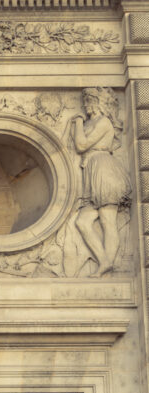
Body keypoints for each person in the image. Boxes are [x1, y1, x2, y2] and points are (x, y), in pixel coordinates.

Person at [70, 87, 131, 275]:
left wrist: (78, 122)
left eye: (90, 100)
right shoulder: (91, 122)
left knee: (107, 220)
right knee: (82, 222)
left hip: (104, 170)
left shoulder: (104, 122)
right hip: (91, 172)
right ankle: (104, 261)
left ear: (100, 102)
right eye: (85, 100)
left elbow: (81, 145)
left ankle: (107, 265)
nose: (86, 104)